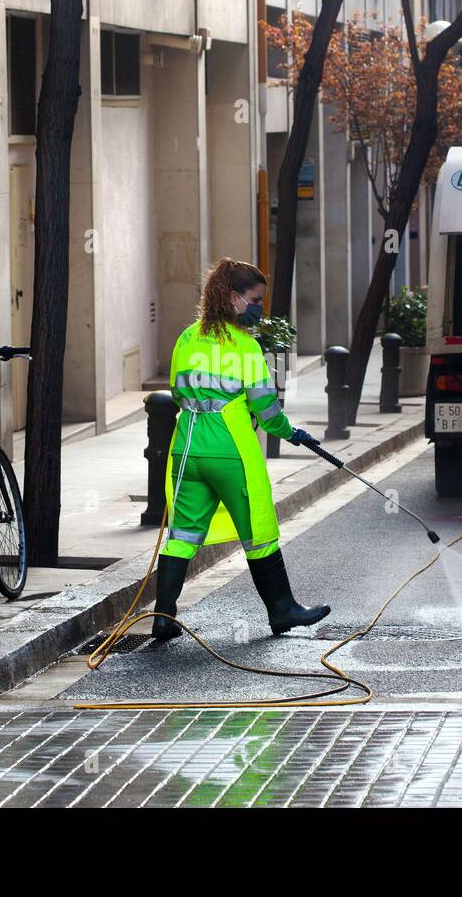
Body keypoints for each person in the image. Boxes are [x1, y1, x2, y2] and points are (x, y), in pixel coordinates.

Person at [152, 257, 330, 641]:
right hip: (231, 450)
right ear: (233, 298)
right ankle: (282, 610)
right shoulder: (246, 348)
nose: (258, 309)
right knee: (259, 530)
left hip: (187, 448)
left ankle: (163, 617)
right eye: (254, 300)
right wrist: (292, 433)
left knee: (182, 535)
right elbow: (266, 410)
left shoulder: (187, 337)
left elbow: (179, 391)